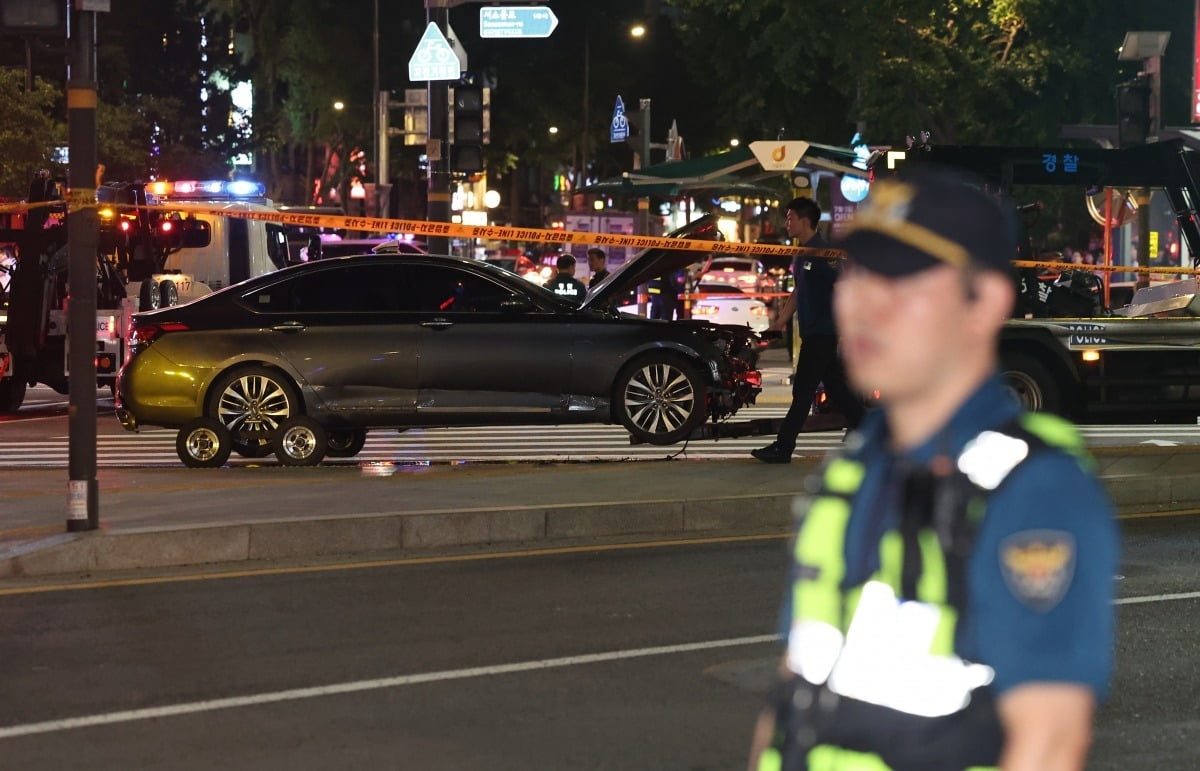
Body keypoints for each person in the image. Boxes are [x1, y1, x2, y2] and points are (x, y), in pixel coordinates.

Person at [747, 168, 1118, 771]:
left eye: (904, 280)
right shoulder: (848, 476)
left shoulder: (1030, 486)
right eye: (859, 274)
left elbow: (1047, 742)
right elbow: (795, 693)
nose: (865, 304)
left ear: (984, 303)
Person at [753, 197, 863, 463]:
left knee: (802, 392)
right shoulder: (801, 253)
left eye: (791, 218)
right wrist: (780, 322)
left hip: (823, 333)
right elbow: (798, 291)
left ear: (805, 221)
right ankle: (873, 433)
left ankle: (783, 447)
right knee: (840, 391)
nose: (787, 222)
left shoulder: (825, 254)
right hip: (812, 331)